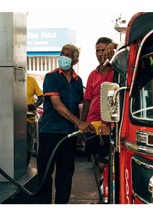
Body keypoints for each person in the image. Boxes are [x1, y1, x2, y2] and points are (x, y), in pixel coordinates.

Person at [37, 44, 95, 204]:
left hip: (68, 135)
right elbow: (57, 105)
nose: (63, 57)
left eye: (67, 55)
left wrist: (80, 129)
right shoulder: (52, 77)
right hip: (50, 132)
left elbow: (79, 106)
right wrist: (79, 123)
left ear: (75, 60)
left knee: (65, 175)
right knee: (45, 174)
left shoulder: (78, 81)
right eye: (62, 53)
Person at [80, 37, 117, 184]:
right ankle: (101, 196)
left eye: (104, 50)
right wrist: (82, 124)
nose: (100, 54)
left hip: (110, 126)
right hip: (92, 126)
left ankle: (111, 194)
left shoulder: (118, 71)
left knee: (107, 164)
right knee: (96, 163)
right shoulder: (92, 75)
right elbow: (87, 101)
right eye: (98, 51)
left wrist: (114, 45)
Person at [27, 75, 43, 166]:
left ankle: (24, 167)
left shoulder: (31, 80)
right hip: (13, 118)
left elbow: (41, 98)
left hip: (29, 118)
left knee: (27, 146)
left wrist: (35, 105)